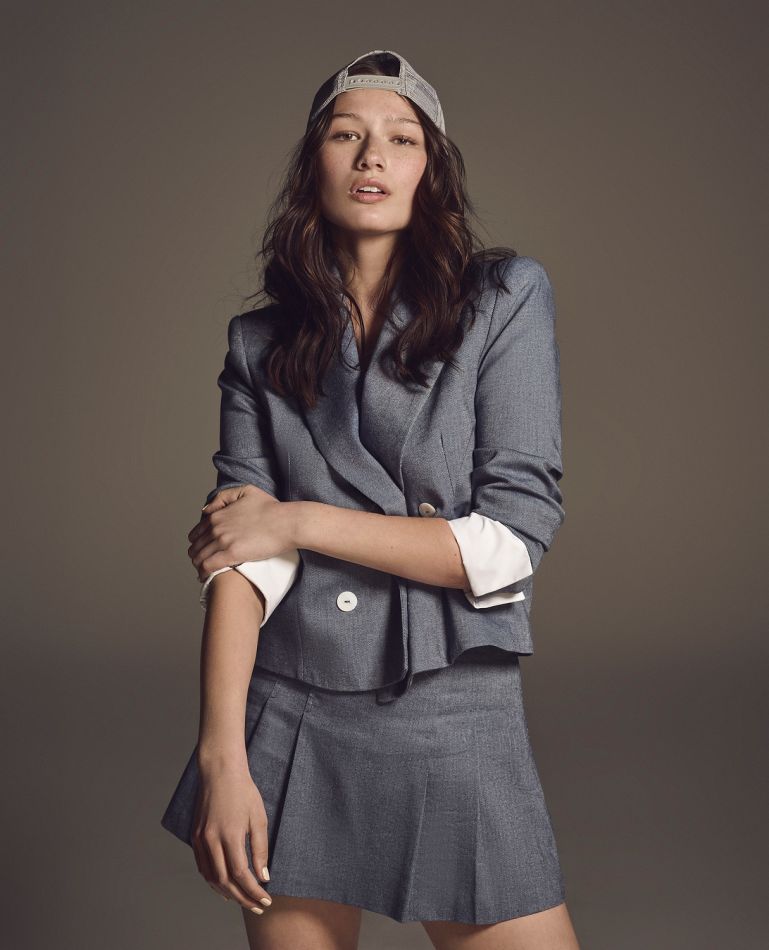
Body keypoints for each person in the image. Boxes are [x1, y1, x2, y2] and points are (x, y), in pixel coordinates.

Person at [160, 50, 581, 950]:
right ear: (313, 165)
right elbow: (242, 559)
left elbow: (507, 542)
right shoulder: (259, 342)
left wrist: (299, 519)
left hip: (448, 696)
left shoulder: (504, 298)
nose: (372, 156)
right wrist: (221, 755)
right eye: (346, 135)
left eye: (402, 139)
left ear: (430, 172)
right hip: (293, 706)